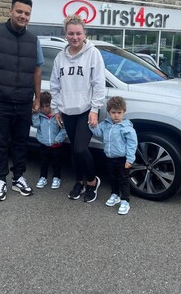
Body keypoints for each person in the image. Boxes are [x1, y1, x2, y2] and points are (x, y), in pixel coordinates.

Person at [0, 0, 43, 202]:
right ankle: (1, 180)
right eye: (19, 11)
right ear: (10, 11)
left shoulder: (34, 40)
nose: (23, 16)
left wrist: (37, 98)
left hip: (23, 100)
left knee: (21, 142)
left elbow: (37, 71)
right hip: (0, 100)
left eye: (27, 13)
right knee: (0, 142)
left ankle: (19, 178)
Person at [50, 14, 106, 203]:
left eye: (78, 33)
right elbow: (55, 85)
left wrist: (95, 109)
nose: (75, 37)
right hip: (67, 111)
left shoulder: (93, 53)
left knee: (82, 149)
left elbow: (99, 84)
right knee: (74, 149)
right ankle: (79, 182)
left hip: (85, 111)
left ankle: (92, 182)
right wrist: (56, 109)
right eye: (71, 33)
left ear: (84, 34)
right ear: (65, 34)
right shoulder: (60, 57)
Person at [89, 96, 138, 215]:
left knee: (123, 180)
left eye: (119, 112)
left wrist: (130, 159)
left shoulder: (127, 128)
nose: (116, 115)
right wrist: (91, 124)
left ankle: (125, 200)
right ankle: (115, 195)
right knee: (112, 177)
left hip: (123, 159)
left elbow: (132, 144)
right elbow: (97, 132)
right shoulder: (106, 124)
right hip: (110, 158)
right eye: (113, 112)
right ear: (109, 112)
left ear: (124, 112)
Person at [32, 91, 67, 189]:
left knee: (57, 162)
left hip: (56, 144)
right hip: (44, 143)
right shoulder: (40, 115)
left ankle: (56, 177)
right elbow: (36, 125)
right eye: (42, 106)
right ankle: (43, 177)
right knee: (43, 161)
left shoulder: (57, 115)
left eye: (47, 106)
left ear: (51, 104)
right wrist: (35, 114)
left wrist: (58, 139)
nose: (44, 109)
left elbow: (64, 129)